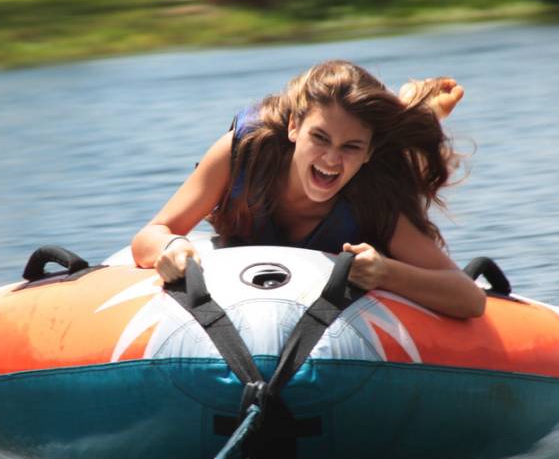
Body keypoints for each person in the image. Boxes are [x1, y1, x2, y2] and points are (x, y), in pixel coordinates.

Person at [132, 60, 486, 319]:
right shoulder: (244, 153)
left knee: (399, 158)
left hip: (373, 178)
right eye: (319, 137)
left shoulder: (371, 198)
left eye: (351, 147)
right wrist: (173, 245)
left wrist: (386, 273)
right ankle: (413, 109)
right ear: (293, 127)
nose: (331, 159)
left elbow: (469, 298)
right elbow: (151, 234)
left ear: (367, 154)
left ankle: (418, 112)